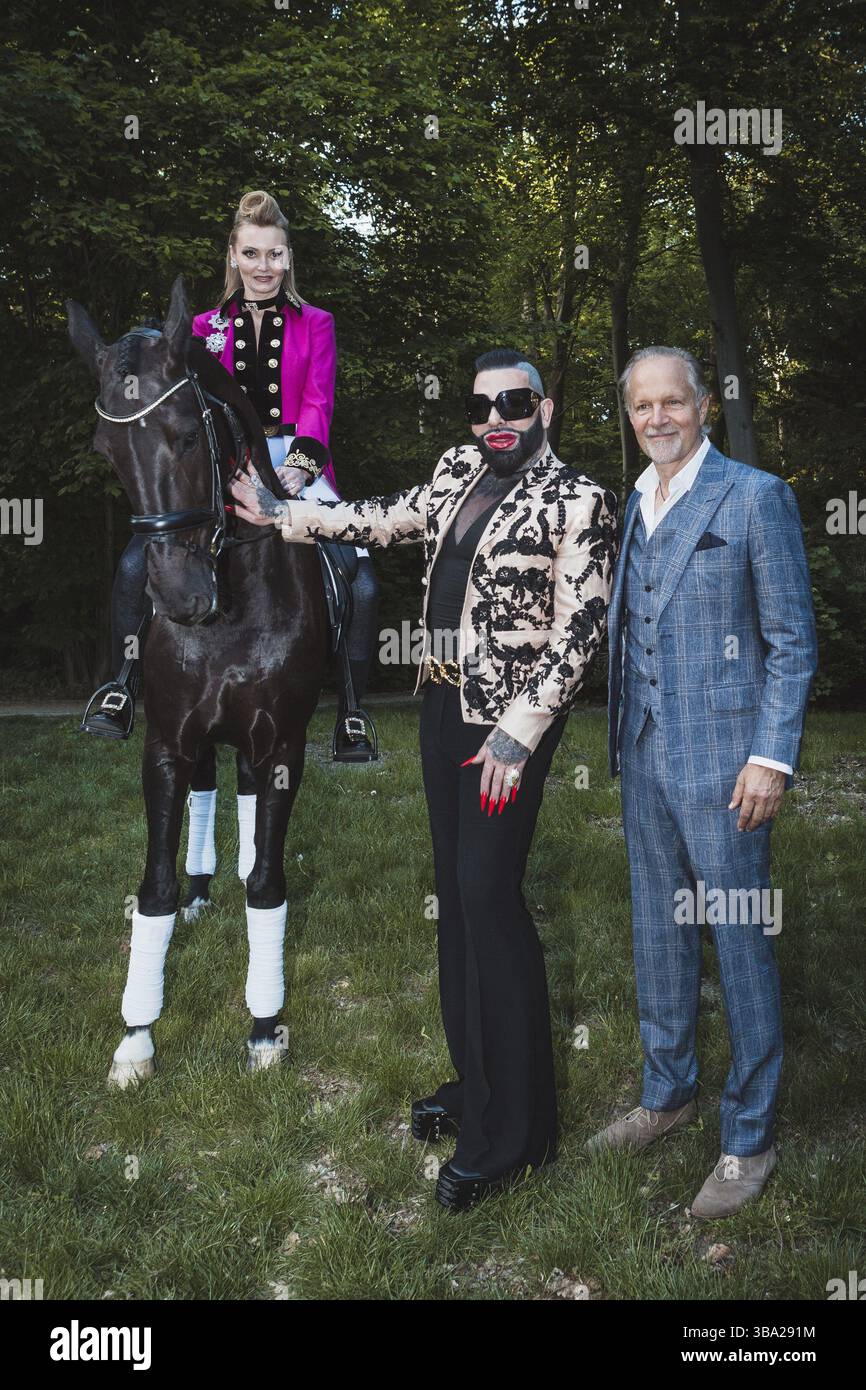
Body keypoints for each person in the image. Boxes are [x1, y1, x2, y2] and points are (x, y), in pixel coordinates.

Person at [230, 348, 617, 1209]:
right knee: (454, 897)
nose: (495, 420)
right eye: (481, 407)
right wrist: (284, 512)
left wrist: (521, 730)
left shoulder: (578, 497)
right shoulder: (457, 469)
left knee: (490, 898)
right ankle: (475, 1087)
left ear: (544, 408)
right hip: (442, 709)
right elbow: (382, 519)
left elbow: (582, 624)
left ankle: (519, 1134)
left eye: (513, 403)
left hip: (505, 728)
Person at [588, 345, 817, 1219]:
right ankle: (667, 1092)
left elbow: (793, 642)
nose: (656, 419)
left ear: (704, 405)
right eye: (641, 406)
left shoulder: (757, 498)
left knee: (740, 940)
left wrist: (772, 756)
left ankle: (749, 1134)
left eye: (670, 402)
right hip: (643, 753)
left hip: (729, 765)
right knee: (658, 931)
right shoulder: (632, 504)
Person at [81, 189, 379, 765]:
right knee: (135, 561)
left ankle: (351, 710)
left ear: (288, 259)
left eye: (274, 255)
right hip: (220, 456)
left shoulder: (317, 323)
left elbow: (319, 400)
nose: (263, 267)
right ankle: (121, 683)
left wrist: (295, 472)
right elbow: (181, 409)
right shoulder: (197, 328)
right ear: (234, 256)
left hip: (298, 454)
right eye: (252, 253)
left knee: (360, 577)